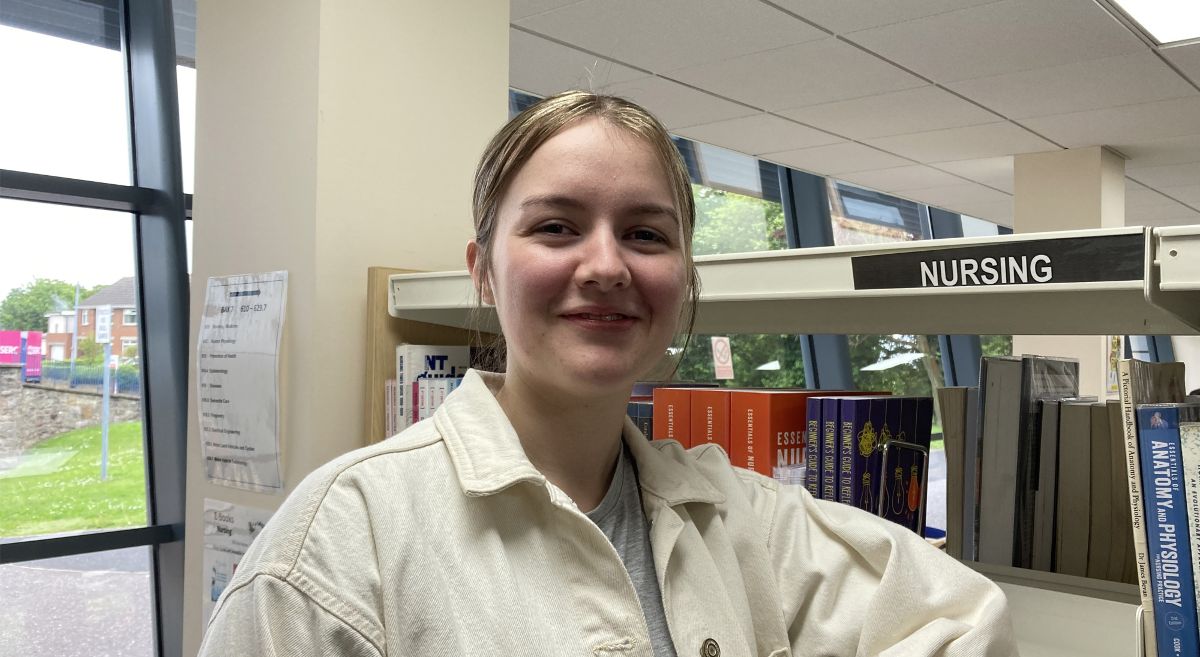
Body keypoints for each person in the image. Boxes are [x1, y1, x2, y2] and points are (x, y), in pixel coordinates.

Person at [198, 91, 1017, 656]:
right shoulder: (342, 539)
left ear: (684, 279)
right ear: (484, 272)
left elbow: (965, 619)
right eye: (556, 226)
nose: (606, 265)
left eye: (647, 235)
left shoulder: (737, 517)